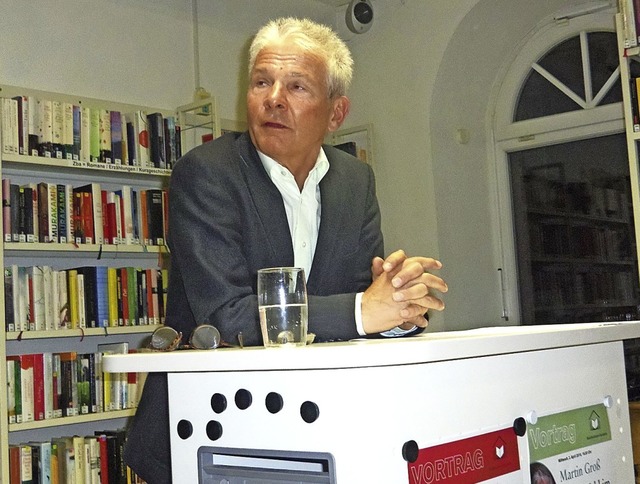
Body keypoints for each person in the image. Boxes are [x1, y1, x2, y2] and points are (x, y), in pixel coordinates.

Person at [124, 17, 447, 483]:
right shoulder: (205, 174)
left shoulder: (355, 181)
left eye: (296, 86)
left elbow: (355, 306)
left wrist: (398, 307)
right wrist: (364, 310)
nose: (273, 98)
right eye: (261, 82)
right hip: (205, 440)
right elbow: (227, 315)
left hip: (313, 433)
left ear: (336, 114)